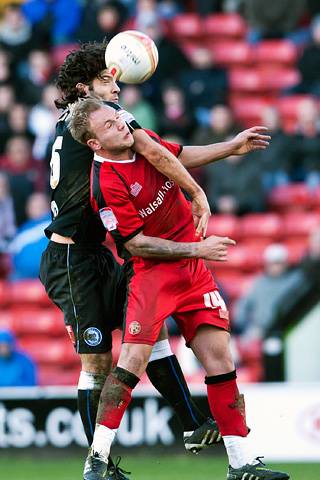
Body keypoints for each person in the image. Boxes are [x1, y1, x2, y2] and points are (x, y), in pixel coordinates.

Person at [40, 41, 270, 480]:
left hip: (99, 252)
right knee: (99, 362)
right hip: (72, 258)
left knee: (149, 334)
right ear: (84, 89)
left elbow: (169, 154)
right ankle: (99, 464)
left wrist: (230, 149)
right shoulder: (101, 123)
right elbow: (163, 155)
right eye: (108, 78)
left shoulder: (90, 123)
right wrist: (198, 193)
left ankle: (193, 427)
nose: (117, 84)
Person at [233, 244, 304, 341]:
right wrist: (246, 327)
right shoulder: (258, 283)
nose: (275, 266)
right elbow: (242, 307)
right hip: (260, 332)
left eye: (278, 262)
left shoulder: (296, 281)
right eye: (272, 263)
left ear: (286, 263)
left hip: (288, 330)